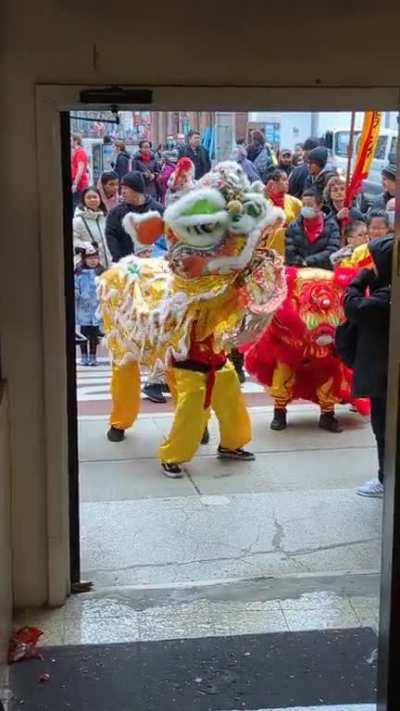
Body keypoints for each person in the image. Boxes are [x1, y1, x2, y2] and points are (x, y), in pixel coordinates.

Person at [343, 236, 393, 497]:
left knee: (384, 430)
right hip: (384, 373)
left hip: (386, 376)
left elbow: (353, 306)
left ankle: (386, 480)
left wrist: (359, 281)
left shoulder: (385, 298)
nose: (371, 267)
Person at [105, 171, 163, 263]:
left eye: (125, 188)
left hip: (154, 264)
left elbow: (165, 237)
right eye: (122, 188)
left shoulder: (157, 209)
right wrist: (121, 260)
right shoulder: (116, 213)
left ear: (137, 190)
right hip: (127, 265)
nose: (122, 192)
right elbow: (111, 237)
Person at [285, 189, 340, 269]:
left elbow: (332, 250)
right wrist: (300, 262)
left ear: (320, 205)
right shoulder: (293, 226)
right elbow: (290, 250)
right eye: (304, 205)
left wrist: (308, 261)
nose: (306, 208)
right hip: (299, 270)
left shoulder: (331, 225)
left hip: (324, 271)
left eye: (310, 205)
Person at [75, 244, 105, 366]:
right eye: (90, 258)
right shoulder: (79, 273)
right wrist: (77, 294)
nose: (93, 261)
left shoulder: (101, 273)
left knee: (94, 333)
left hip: (96, 307)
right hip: (83, 307)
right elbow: (75, 287)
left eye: (95, 258)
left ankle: (93, 355)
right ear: (84, 259)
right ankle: (84, 355)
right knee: (83, 332)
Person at [264, 168, 302, 255]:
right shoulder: (265, 202)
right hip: (267, 247)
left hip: (290, 247)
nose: (287, 182)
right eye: (284, 179)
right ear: (273, 182)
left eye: (287, 179)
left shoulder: (294, 202)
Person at [73, 186, 111, 268]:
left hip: (108, 264)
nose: (92, 200)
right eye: (89, 197)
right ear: (84, 200)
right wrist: (86, 246)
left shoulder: (106, 218)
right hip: (89, 266)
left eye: (95, 197)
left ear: (100, 199)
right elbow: (73, 240)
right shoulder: (78, 220)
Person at [71, 134, 89, 209]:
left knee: (76, 205)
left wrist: (75, 183)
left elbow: (80, 170)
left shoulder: (80, 152)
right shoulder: (76, 152)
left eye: (71, 140)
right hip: (77, 182)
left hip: (79, 184)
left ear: (76, 141)